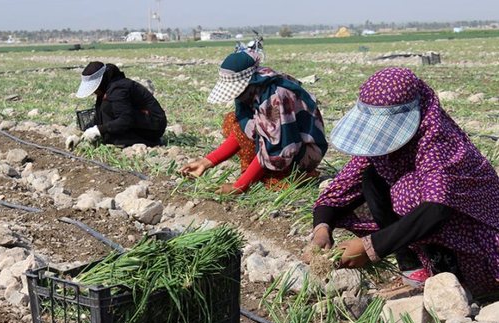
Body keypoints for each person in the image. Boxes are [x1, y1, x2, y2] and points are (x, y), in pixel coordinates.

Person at [312, 67, 499, 298]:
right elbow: (342, 188)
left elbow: (435, 208)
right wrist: (321, 227)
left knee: (405, 192)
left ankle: (453, 276)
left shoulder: (438, 139)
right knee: (371, 178)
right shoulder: (381, 143)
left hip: (477, 237)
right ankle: (415, 268)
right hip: (430, 223)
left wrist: (371, 247)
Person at [179, 50, 328, 194]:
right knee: (234, 120)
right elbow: (243, 130)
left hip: (302, 150)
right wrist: (205, 163)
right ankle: (256, 170)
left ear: (249, 81)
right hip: (280, 140)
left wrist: (239, 186)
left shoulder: (273, 98)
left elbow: (274, 147)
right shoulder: (253, 91)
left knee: (276, 182)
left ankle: (297, 174)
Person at [67, 61, 167, 149]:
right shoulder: (106, 89)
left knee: (110, 133)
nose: (94, 92)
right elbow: (99, 116)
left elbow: (125, 119)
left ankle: (148, 141)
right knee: (106, 108)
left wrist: (99, 130)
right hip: (139, 119)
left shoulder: (119, 89)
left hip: (153, 125)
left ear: (101, 81)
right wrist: (81, 135)